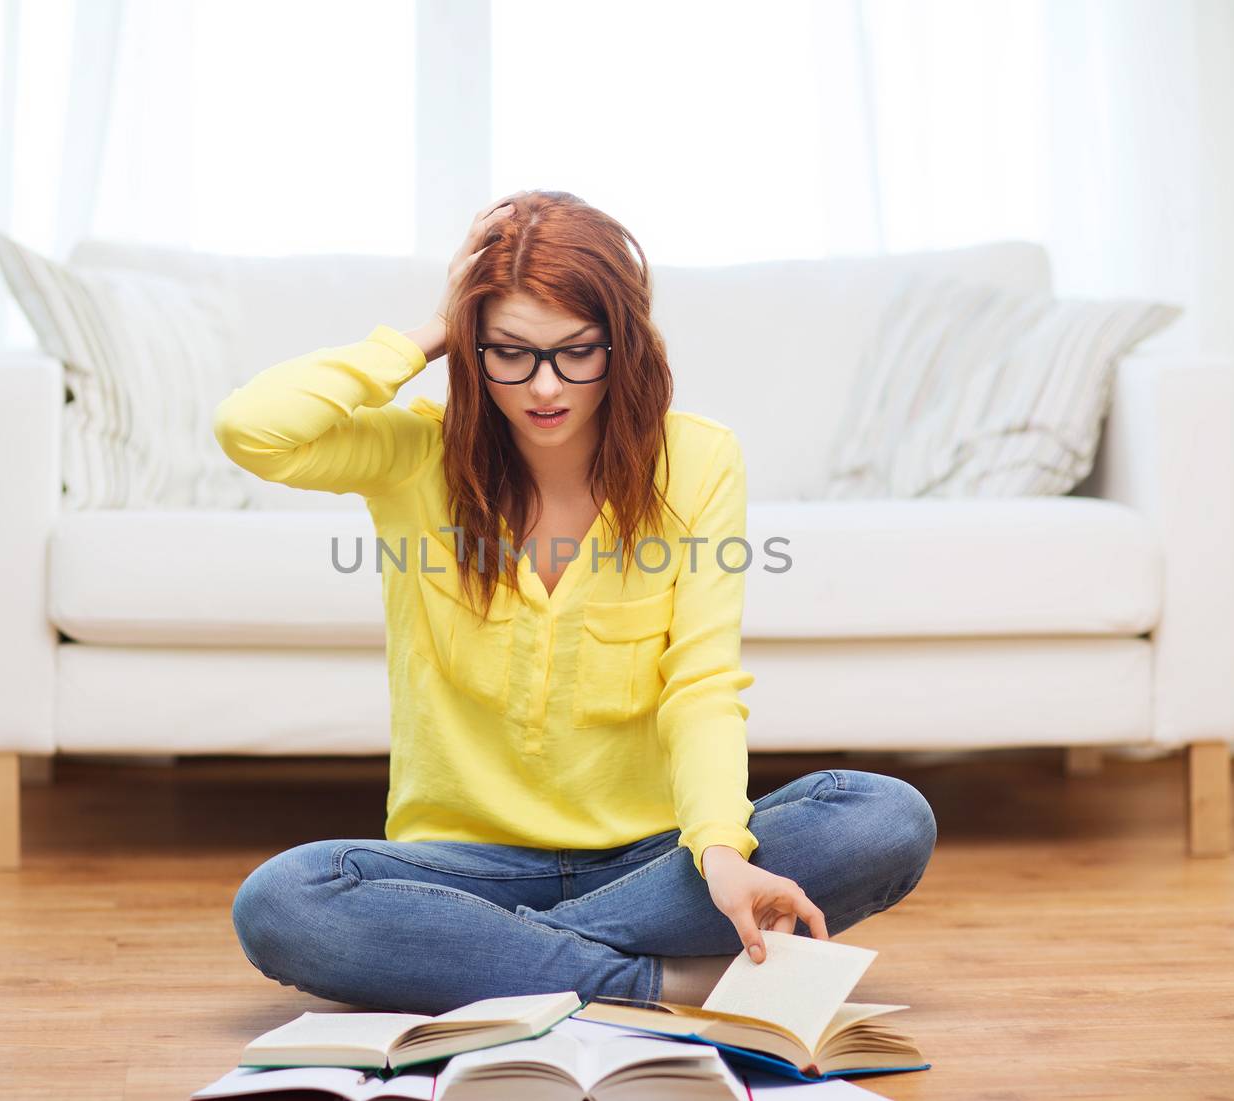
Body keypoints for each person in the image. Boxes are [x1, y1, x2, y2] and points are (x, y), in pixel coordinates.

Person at [214, 190, 937, 1015]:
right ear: (473, 344)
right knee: (282, 900)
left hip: (653, 862)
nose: (545, 385)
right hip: (462, 864)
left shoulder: (697, 461)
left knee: (884, 816)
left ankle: (486, 954)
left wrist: (721, 853)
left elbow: (700, 685)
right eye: (510, 352)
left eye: (576, 352)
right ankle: (656, 982)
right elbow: (252, 428)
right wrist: (437, 330)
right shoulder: (412, 456)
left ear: (621, 343)